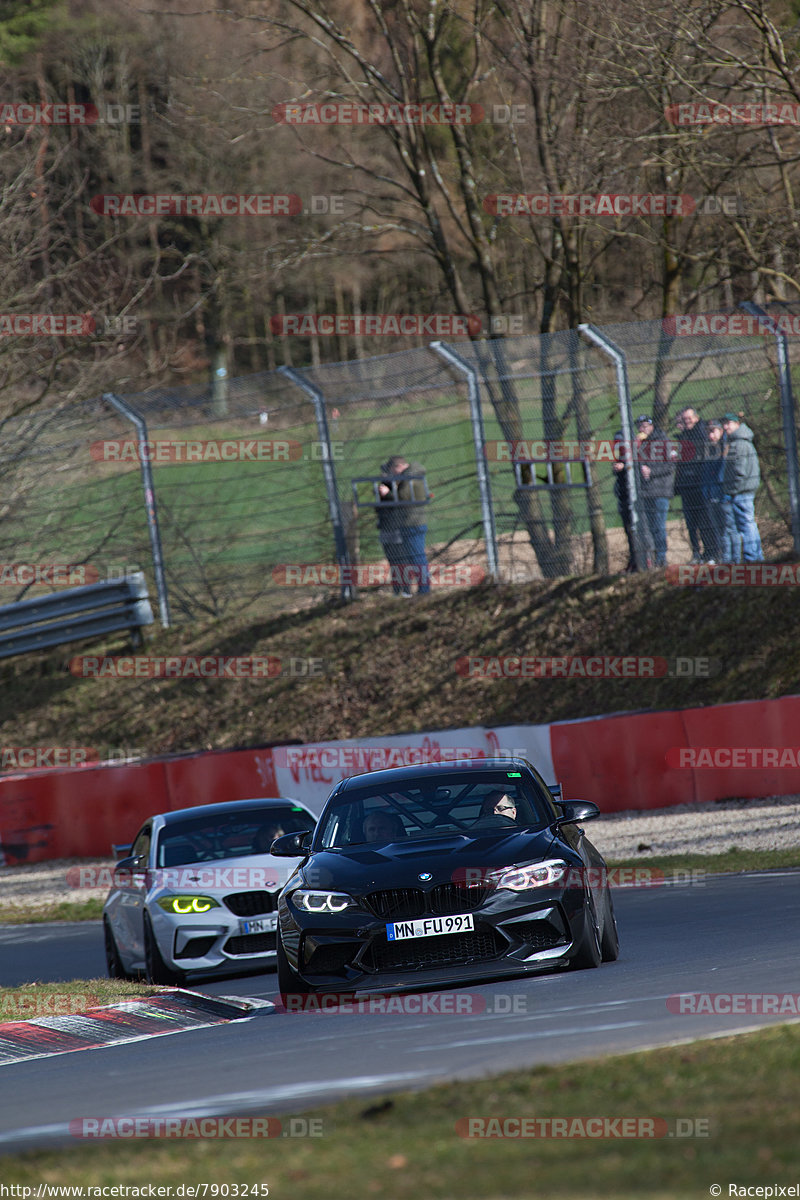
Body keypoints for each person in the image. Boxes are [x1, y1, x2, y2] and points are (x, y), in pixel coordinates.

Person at [376, 455, 430, 596]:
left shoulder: (410, 478)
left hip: (412, 523)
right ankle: (421, 589)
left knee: (416, 557)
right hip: (412, 522)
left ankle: (424, 590)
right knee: (414, 557)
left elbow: (402, 498)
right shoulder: (411, 476)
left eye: (392, 470)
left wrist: (387, 493)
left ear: (397, 467)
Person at [674, 407, 718, 563]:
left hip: (701, 484)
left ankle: (711, 552)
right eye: (683, 420)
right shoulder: (683, 437)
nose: (687, 422)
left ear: (696, 418)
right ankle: (697, 553)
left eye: (689, 418)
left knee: (706, 520)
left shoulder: (701, 432)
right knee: (691, 523)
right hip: (687, 486)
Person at [720, 412, 764, 562]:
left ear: (737, 424)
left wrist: (732, 491)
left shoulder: (738, 444)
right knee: (749, 523)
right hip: (744, 490)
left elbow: (739, 471)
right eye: (724, 424)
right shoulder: (742, 441)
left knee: (746, 525)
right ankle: (756, 555)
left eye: (729, 423)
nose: (726, 427)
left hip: (741, 491)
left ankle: (751, 557)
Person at [635, 415, 677, 567]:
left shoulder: (664, 441)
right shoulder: (638, 444)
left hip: (660, 491)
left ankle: (661, 557)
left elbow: (671, 466)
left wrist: (652, 471)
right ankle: (651, 559)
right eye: (640, 426)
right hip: (645, 492)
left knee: (659, 526)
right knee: (649, 527)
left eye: (645, 425)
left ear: (652, 426)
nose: (642, 428)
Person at [612, 430, 654, 571]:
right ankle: (634, 561)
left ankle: (647, 560)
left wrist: (625, 467)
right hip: (623, 498)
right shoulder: (618, 457)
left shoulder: (637, 453)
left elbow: (640, 471)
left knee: (642, 530)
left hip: (637, 498)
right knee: (629, 532)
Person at [702, 420, 729, 562]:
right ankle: (722, 559)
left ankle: (730, 560)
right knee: (718, 532)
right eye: (708, 432)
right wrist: (706, 493)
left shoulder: (726, 448)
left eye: (713, 431)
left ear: (721, 431)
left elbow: (723, 474)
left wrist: (722, 494)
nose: (710, 435)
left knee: (728, 531)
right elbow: (706, 474)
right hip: (711, 496)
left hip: (722, 497)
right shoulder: (709, 449)